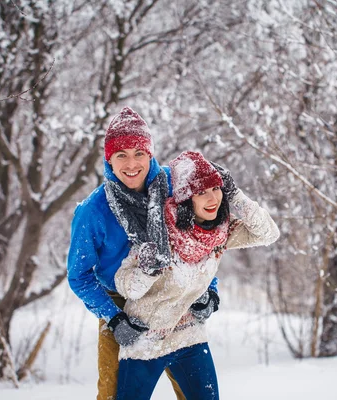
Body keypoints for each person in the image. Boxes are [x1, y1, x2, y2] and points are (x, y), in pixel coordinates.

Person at [67, 108, 219, 400]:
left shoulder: (175, 189)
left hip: (175, 294)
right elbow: (79, 276)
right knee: (113, 393)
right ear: (108, 159)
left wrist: (208, 291)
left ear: (150, 153)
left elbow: (204, 240)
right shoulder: (93, 211)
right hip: (120, 305)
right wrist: (113, 319)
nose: (132, 163)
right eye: (121, 154)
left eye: (139, 152)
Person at [113, 151, 280, 399]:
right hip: (145, 341)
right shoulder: (160, 233)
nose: (212, 198)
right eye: (201, 192)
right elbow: (126, 285)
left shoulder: (222, 232)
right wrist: (147, 272)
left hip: (188, 336)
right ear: (186, 199)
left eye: (216, 188)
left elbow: (269, 233)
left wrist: (236, 196)